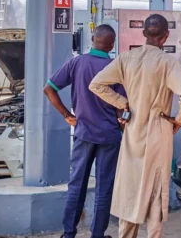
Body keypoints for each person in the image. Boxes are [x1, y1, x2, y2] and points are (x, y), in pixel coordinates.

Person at [89, 14, 181, 238]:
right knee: (156, 189)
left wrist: (123, 103)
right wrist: (179, 120)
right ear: (166, 36)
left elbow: (96, 84)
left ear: (144, 34)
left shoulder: (126, 58)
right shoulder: (167, 62)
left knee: (131, 186)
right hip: (159, 129)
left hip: (133, 127)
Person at [44, 25, 124, 238]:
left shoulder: (76, 62)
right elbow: (122, 107)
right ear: (112, 43)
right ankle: (97, 234)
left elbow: (49, 88)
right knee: (104, 187)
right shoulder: (115, 67)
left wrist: (66, 115)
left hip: (83, 133)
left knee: (76, 184)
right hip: (109, 136)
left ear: (93, 39)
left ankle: (68, 233)